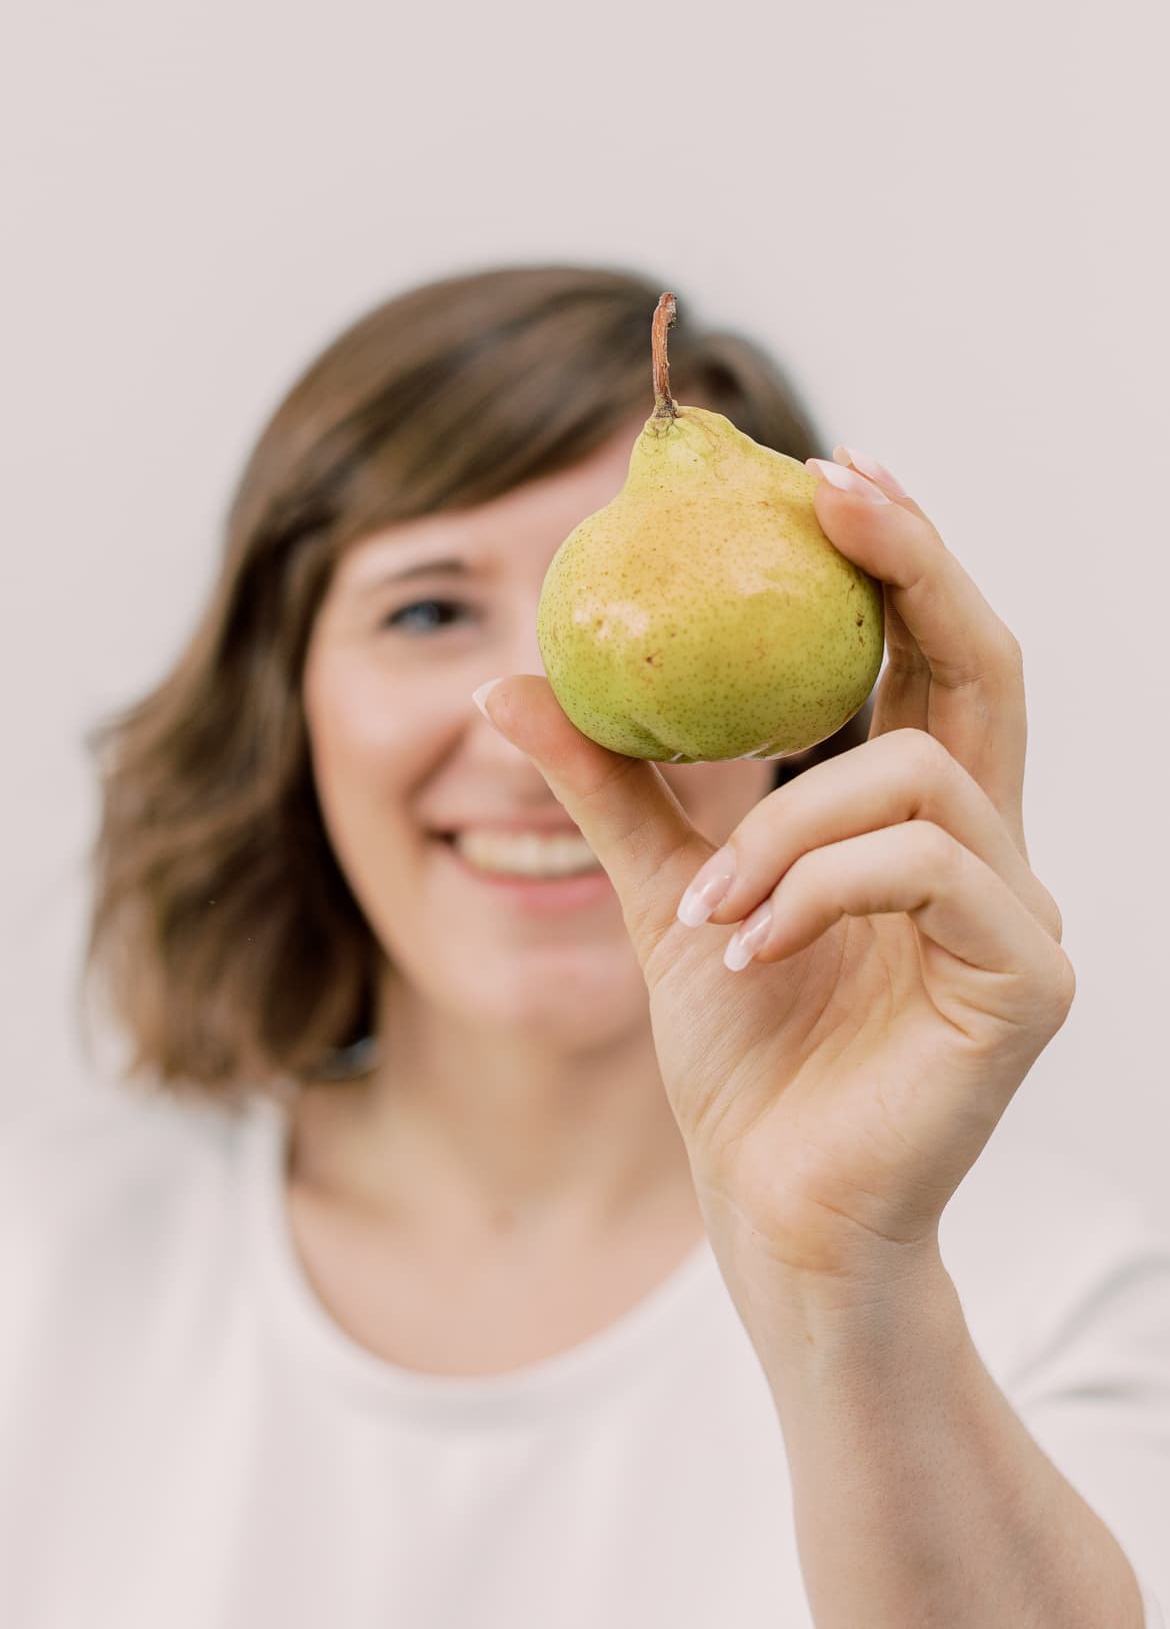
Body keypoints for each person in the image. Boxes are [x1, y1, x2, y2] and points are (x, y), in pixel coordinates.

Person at [1, 263, 1167, 1628]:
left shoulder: (1058, 1297)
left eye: (627, 594)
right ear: (283, 702)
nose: (552, 728)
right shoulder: (43, 1275)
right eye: (428, 609)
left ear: (811, 723)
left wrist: (843, 1280)